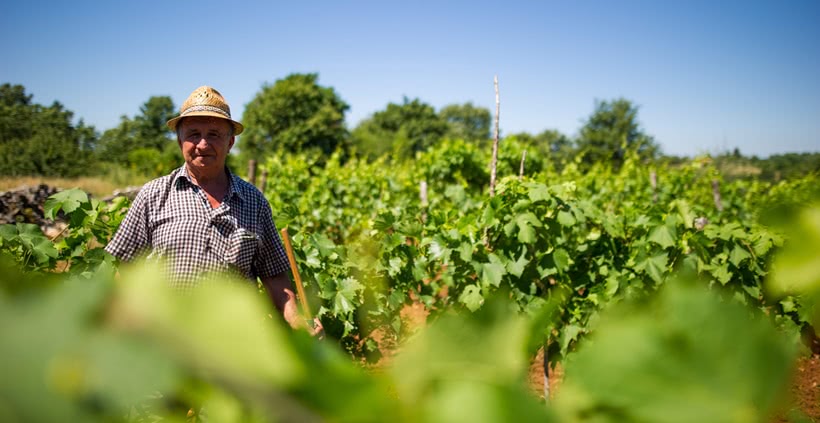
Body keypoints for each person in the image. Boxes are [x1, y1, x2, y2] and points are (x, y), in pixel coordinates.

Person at [105, 86, 321, 335]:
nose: (203, 144)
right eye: (193, 134)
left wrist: (296, 319)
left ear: (230, 142)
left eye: (214, 134)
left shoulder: (254, 201)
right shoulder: (153, 195)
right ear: (179, 140)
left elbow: (274, 276)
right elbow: (126, 268)